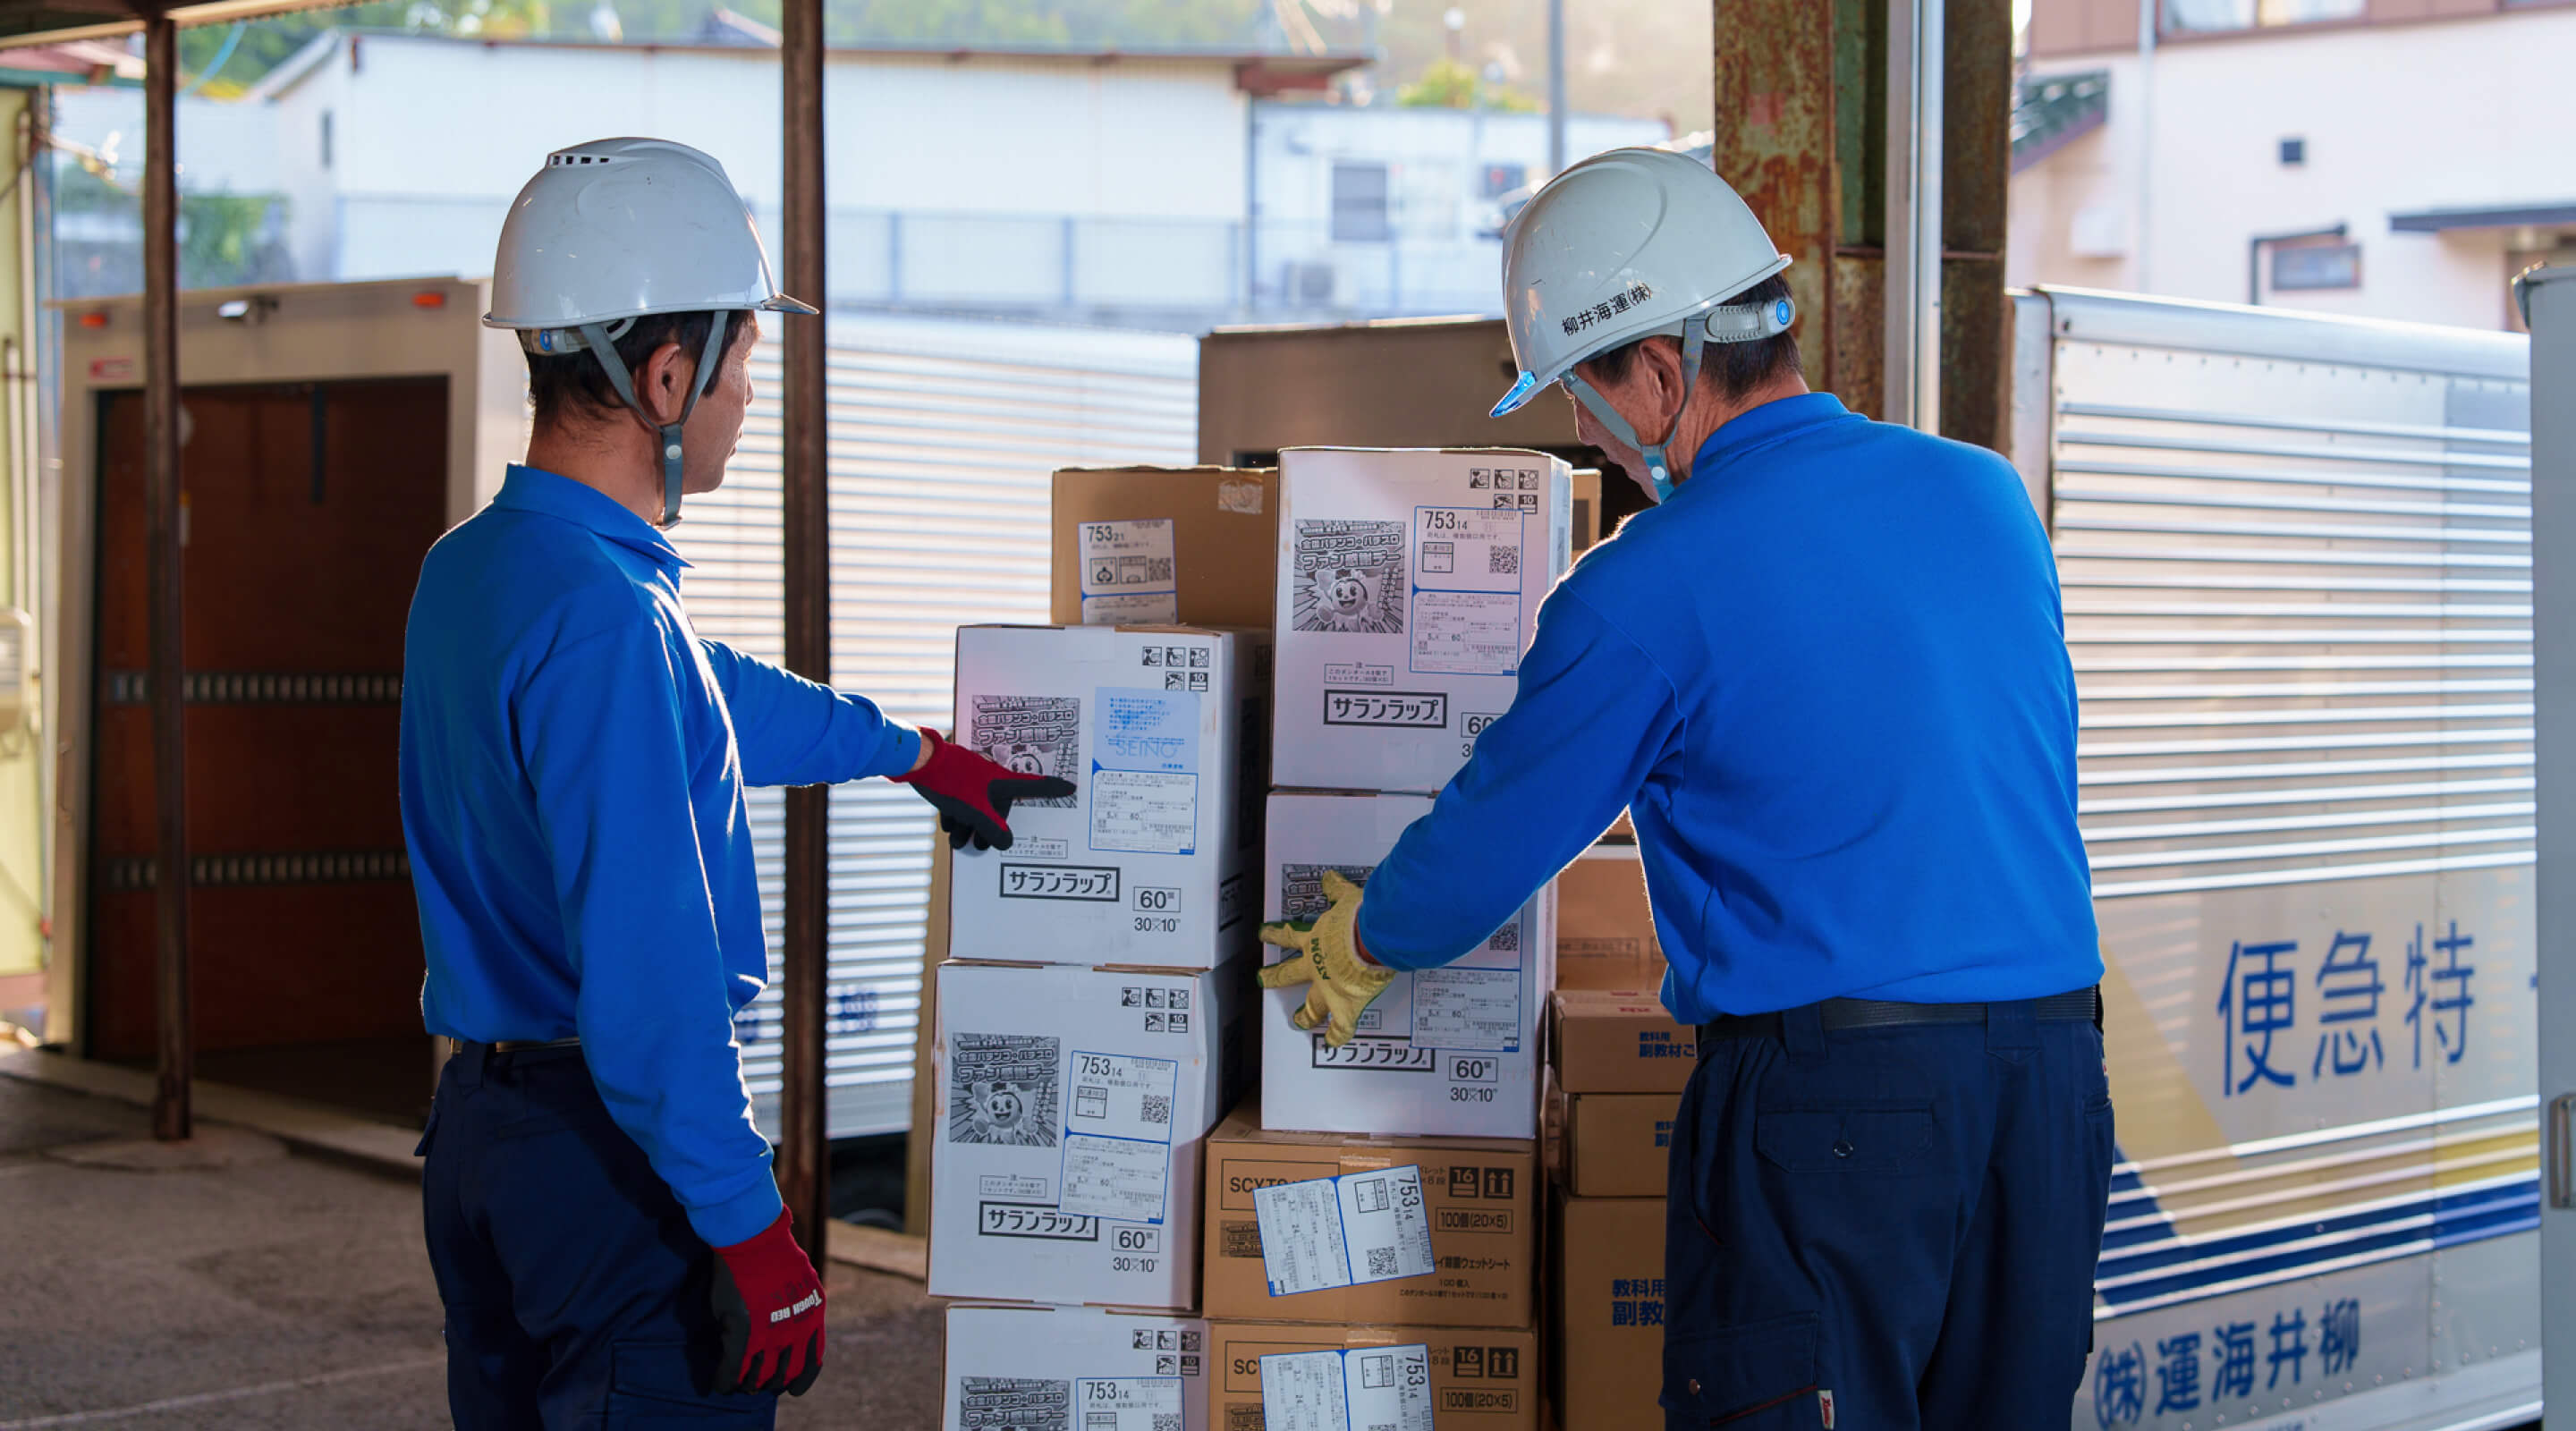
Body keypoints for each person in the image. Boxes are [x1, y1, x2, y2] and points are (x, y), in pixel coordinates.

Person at [1257, 147, 2112, 1427]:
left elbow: (1498, 835)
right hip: (2052, 1085)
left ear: (1659, 370)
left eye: (1585, 400)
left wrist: (1363, 938)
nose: (1589, 435)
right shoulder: (1986, 497)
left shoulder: (1645, 584)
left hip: (1837, 1110)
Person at [401, 137, 1069, 1428]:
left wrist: (916, 753)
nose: (747, 400)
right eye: (745, 368)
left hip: (485, 1139)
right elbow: (651, 983)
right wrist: (751, 1229)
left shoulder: (483, 571)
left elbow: (713, 704)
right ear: (666, 377)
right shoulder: (607, 622)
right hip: (609, 1157)